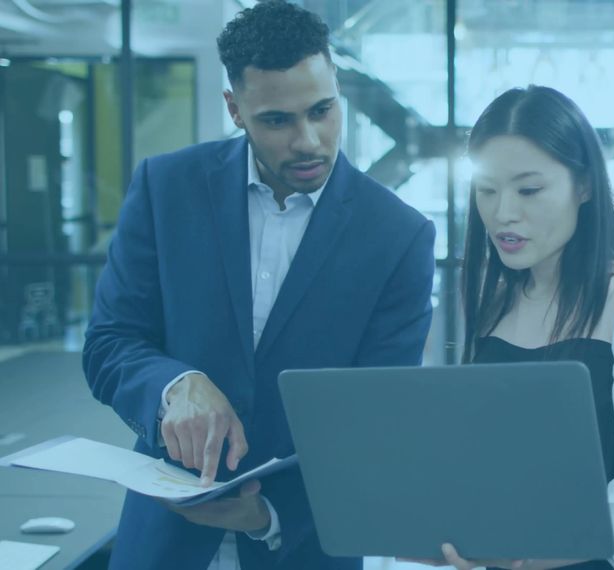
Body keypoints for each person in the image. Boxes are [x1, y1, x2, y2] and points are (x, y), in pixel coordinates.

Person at [82, 2, 435, 568]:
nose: (308, 140)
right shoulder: (165, 188)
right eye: (277, 120)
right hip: (164, 541)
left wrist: (270, 514)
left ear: (337, 89)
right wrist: (175, 385)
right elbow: (109, 343)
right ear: (235, 109)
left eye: (322, 110)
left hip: (303, 543)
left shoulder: (399, 236)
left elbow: (376, 422)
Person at [441, 85, 614, 570]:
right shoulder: (498, 300)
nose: (503, 213)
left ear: (584, 186)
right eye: (487, 190)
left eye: (529, 190)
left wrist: (528, 555)